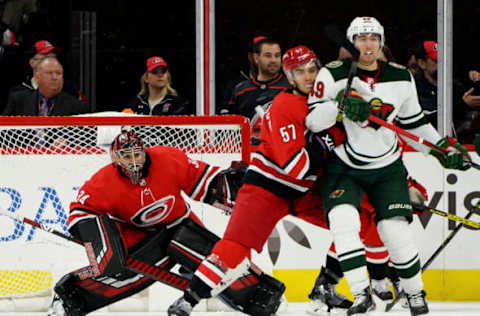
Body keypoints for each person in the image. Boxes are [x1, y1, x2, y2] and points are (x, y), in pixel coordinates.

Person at [166, 45, 353, 316]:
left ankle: (325, 287)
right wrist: (332, 135)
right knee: (235, 247)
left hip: (304, 192)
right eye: (300, 72)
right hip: (267, 189)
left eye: (313, 70)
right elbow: (296, 167)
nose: (309, 77)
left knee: (351, 220)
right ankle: (188, 300)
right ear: (289, 77)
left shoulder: (325, 102)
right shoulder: (284, 106)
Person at [305, 16, 471, 316]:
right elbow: (314, 121)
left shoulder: (400, 76)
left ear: (381, 42)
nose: (367, 44)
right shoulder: (332, 75)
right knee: (344, 223)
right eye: (361, 38)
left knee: (395, 232)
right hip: (344, 167)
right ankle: (360, 294)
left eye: (373, 38)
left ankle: (415, 294)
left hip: (387, 168)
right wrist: (339, 106)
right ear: (351, 42)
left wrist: (440, 149)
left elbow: (414, 123)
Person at [47, 130, 285, 316]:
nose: (133, 162)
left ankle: (262, 295)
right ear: (114, 158)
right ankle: (70, 297)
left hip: (181, 225)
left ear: (145, 151)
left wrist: (228, 187)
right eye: (126, 156)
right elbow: (80, 210)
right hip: (143, 237)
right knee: (126, 273)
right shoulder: (103, 182)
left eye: (137, 154)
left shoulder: (168, 159)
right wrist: (96, 239)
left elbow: (202, 180)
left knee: (214, 263)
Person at [217, 37, 290, 119]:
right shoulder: (240, 90)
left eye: (277, 55)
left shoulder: (291, 87)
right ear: (256, 58)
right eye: (268, 56)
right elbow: (231, 125)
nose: (273, 60)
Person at [8, 40, 88, 104]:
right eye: (45, 59)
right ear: (32, 63)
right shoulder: (18, 93)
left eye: (53, 58)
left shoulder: (69, 89)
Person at [2, 56, 89, 115]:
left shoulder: (77, 106)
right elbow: (3, 131)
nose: (55, 77)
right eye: (49, 73)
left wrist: (67, 142)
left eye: (58, 73)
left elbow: (84, 137)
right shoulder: (18, 100)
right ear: (37, 77)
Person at [123, 56, 191, 115]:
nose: (160, 75)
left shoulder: (178, 104)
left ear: (167, 76)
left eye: (163, 71)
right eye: (155, 72)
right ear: (146, 78)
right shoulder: (136, 103)